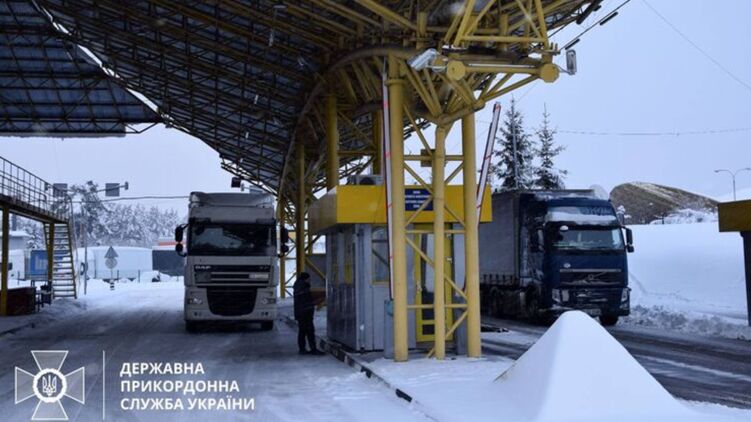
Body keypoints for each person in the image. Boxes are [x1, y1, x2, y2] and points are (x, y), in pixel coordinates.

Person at [293, 272, 323, 355]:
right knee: (310, 331)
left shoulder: (298, 286)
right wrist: (316, 301)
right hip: (305, 313)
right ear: (306, 279)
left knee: (302, 331)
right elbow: (306, 300)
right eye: (309, 279)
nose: (310, 281)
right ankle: (313, 349)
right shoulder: (304, 287)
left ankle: (302, 349)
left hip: (300, 312)